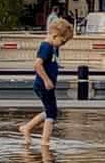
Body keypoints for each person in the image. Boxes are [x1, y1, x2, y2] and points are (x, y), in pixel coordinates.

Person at [19, 18, 74, 147]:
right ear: (55, 35)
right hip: (43, 84)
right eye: (62, 41)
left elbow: (51, 62)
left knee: (52, 111)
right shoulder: (46, 47)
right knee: (51, 114)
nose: (63, 44)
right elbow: (37, 65)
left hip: (47, 85)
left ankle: (27, 128)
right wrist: (47, 80)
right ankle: (45, 141)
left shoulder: (54, 47)